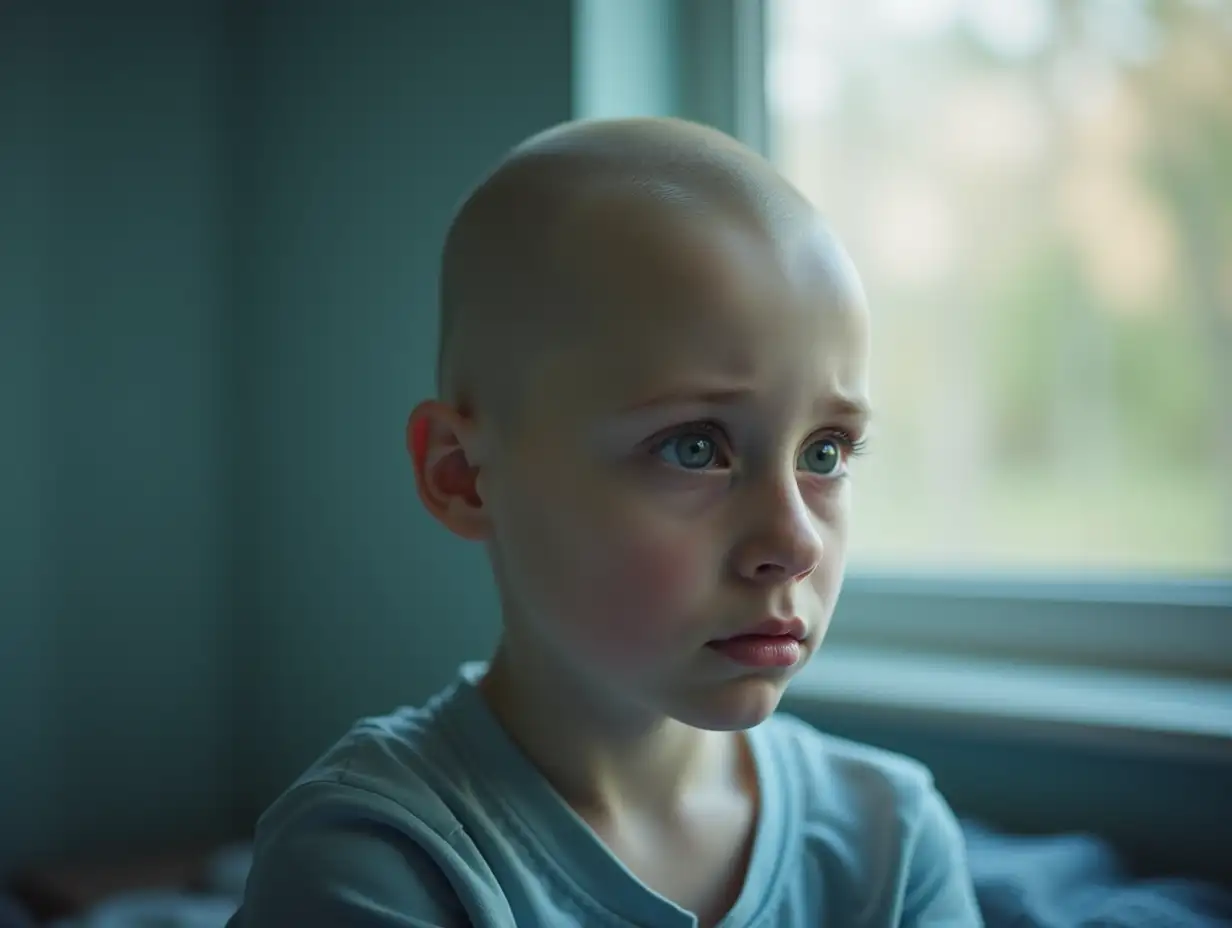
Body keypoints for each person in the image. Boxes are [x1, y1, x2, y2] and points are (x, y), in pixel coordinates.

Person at [227, 117, 984, 927]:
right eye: (695, 447)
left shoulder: (893, 844)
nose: (795, 543)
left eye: (826, 453)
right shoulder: (380, 866)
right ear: (463, 476)